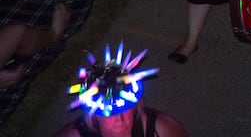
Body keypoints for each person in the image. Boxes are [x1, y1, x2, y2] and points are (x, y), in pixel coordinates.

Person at [50, 48, 189, 137]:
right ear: (93, 115)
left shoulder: (163, 131)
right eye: (109, 113)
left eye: (122, 110)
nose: (117, 119)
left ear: (137, 106)